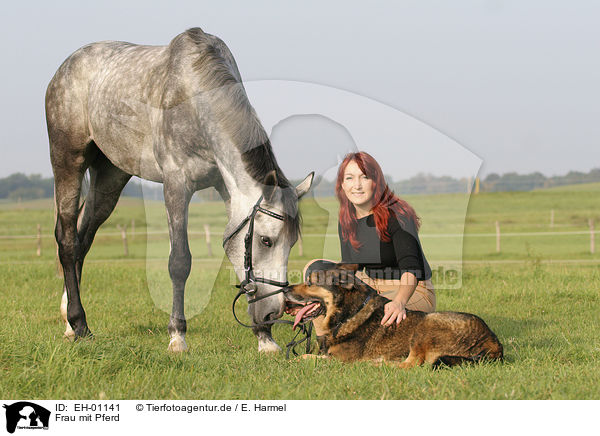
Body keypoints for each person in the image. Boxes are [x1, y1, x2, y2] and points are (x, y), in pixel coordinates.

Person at [304, 151, 435, 330]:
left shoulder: (397, 214)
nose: (356, 185)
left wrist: (398, 302)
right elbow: (350, 269)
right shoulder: (346, 219)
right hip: (371, 286)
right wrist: (313, 297)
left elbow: (411, 269)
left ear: (376, 181)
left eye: (364, 177)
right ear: (342, 184)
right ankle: (324, 346)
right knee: (314, 269)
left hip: (411, 290)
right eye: (349, 178)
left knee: (376, 317)